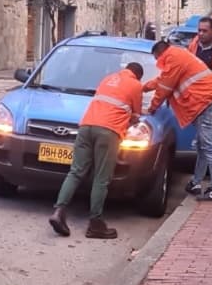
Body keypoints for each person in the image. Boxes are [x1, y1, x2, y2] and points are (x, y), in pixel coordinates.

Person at [49, 62, 145, 239]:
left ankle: (59, 211)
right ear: (138, 75)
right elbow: (136, 115)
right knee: (101, 178)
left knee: (76, 172)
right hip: (108, 132)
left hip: (86, 126)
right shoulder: (136, 85)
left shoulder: (107, 79)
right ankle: (96, 223)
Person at [144, 40, 212, 201]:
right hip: (208, 102)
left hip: (206, 104)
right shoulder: (177, 55)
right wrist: (142, 87)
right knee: (203, 147)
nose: (157, 63)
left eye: (156, 59)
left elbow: (165, 87)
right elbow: (162, 80)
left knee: (209, 147)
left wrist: (152, 108)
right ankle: (196, 183)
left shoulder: (173, 58)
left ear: (161, 54)